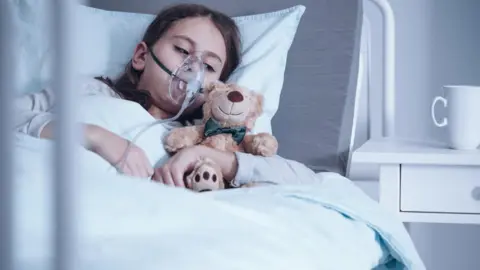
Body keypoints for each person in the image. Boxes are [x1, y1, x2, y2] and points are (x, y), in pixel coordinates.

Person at [15, 3, 320, 189]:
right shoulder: (89, 90)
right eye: (182, 50)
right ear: (140, 57)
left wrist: (208, 156)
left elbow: (303, 180)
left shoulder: (196, 138)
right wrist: (96, 136)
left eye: (210, 65)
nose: (193, 68)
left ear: (218, 88)